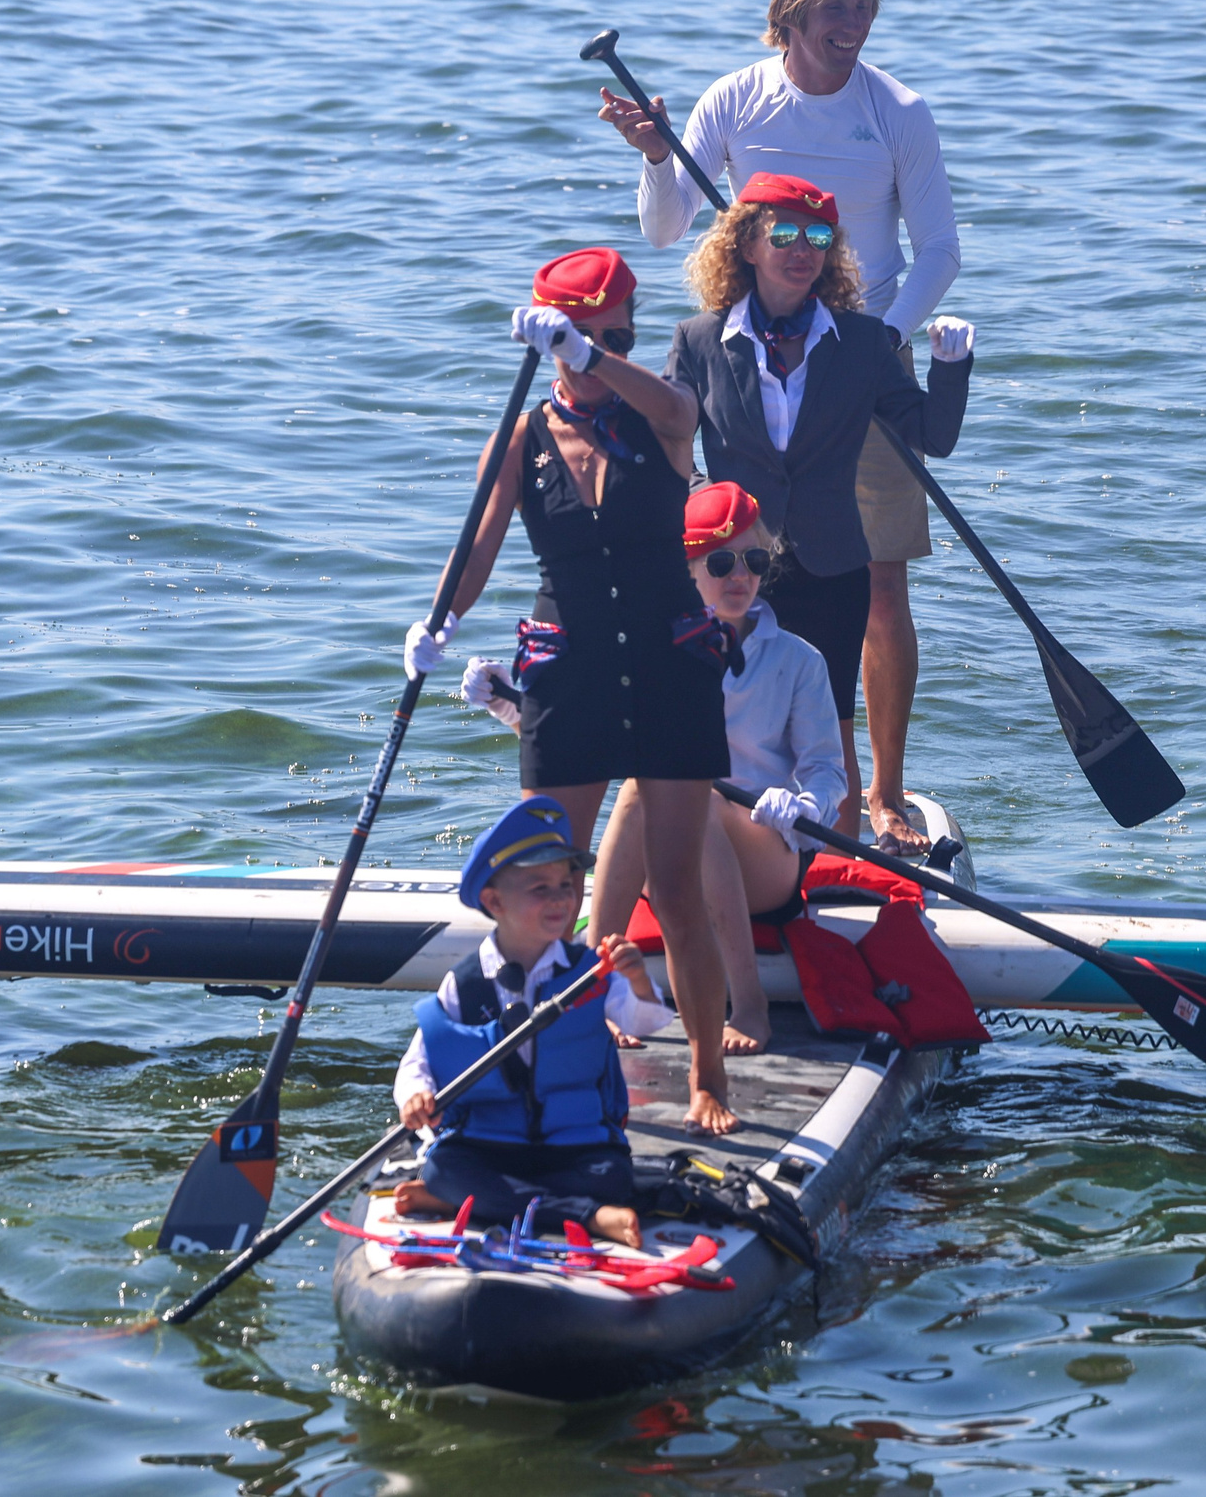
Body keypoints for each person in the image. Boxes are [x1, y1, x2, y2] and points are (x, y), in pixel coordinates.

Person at [598, 0, 961, 854]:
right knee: (733, 567)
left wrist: (879, 344)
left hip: (864, 360)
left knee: (877, 583)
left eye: (863, 8)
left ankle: (879, 795)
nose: (853, 24)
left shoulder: (898, 111)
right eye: (835, 9)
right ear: (791, 17)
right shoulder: (734, 101)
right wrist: (654, 156)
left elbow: (939, 254)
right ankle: (737, 767)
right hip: (748, 357)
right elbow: (668, 232)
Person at [412, 245, 739, 1134]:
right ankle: (529, 1068)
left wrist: (600, 362)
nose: (604, 352)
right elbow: (479, 540)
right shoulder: (522, 436)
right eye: (586, 338)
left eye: (619, 336)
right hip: (570, 670)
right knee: (541, 884)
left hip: (670, 667)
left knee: (675, 887)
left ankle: (709, 1073)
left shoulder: (656, 416)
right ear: (548, 341)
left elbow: (685, 409)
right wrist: (438, 621)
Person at [662, 174, 973, 850]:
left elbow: (932, 437)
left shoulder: (862, 343)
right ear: (746, 242)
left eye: (818, 236)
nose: (801, 249)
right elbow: (668, 447)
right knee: (722, 718)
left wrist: (950, 364)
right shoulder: (699, 340)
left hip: (831, 567)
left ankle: (832, 869)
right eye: (783, 234)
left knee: (829, 730)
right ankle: (720, 855)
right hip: (732, 565)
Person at [585, 481, 847, 1054]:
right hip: (672, 858)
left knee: (689, 792)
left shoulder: (801, 661)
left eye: (754, 560)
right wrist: (509, 702)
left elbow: (828, 770)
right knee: (646, 787)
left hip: (765, 859)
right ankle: (590, 984)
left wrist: (806, 807)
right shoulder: (652, 649)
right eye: (722, 561)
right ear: (688, 571)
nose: (741, 576)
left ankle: (749, 1003)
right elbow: (587, 735)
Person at [390, 797, 672, 1247]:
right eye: (540, 888)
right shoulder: (463, 983)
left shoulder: (588, 971)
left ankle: (475, 1201)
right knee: (445, 1168)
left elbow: (647, 1020)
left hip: (576, 1148)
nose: (560, 898)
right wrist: (415, 1096)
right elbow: (418, 1060)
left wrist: (638, 978)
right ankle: (588, 1217)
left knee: (614, 1177)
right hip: (488, 1145)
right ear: (494, 900)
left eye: (565, 884)